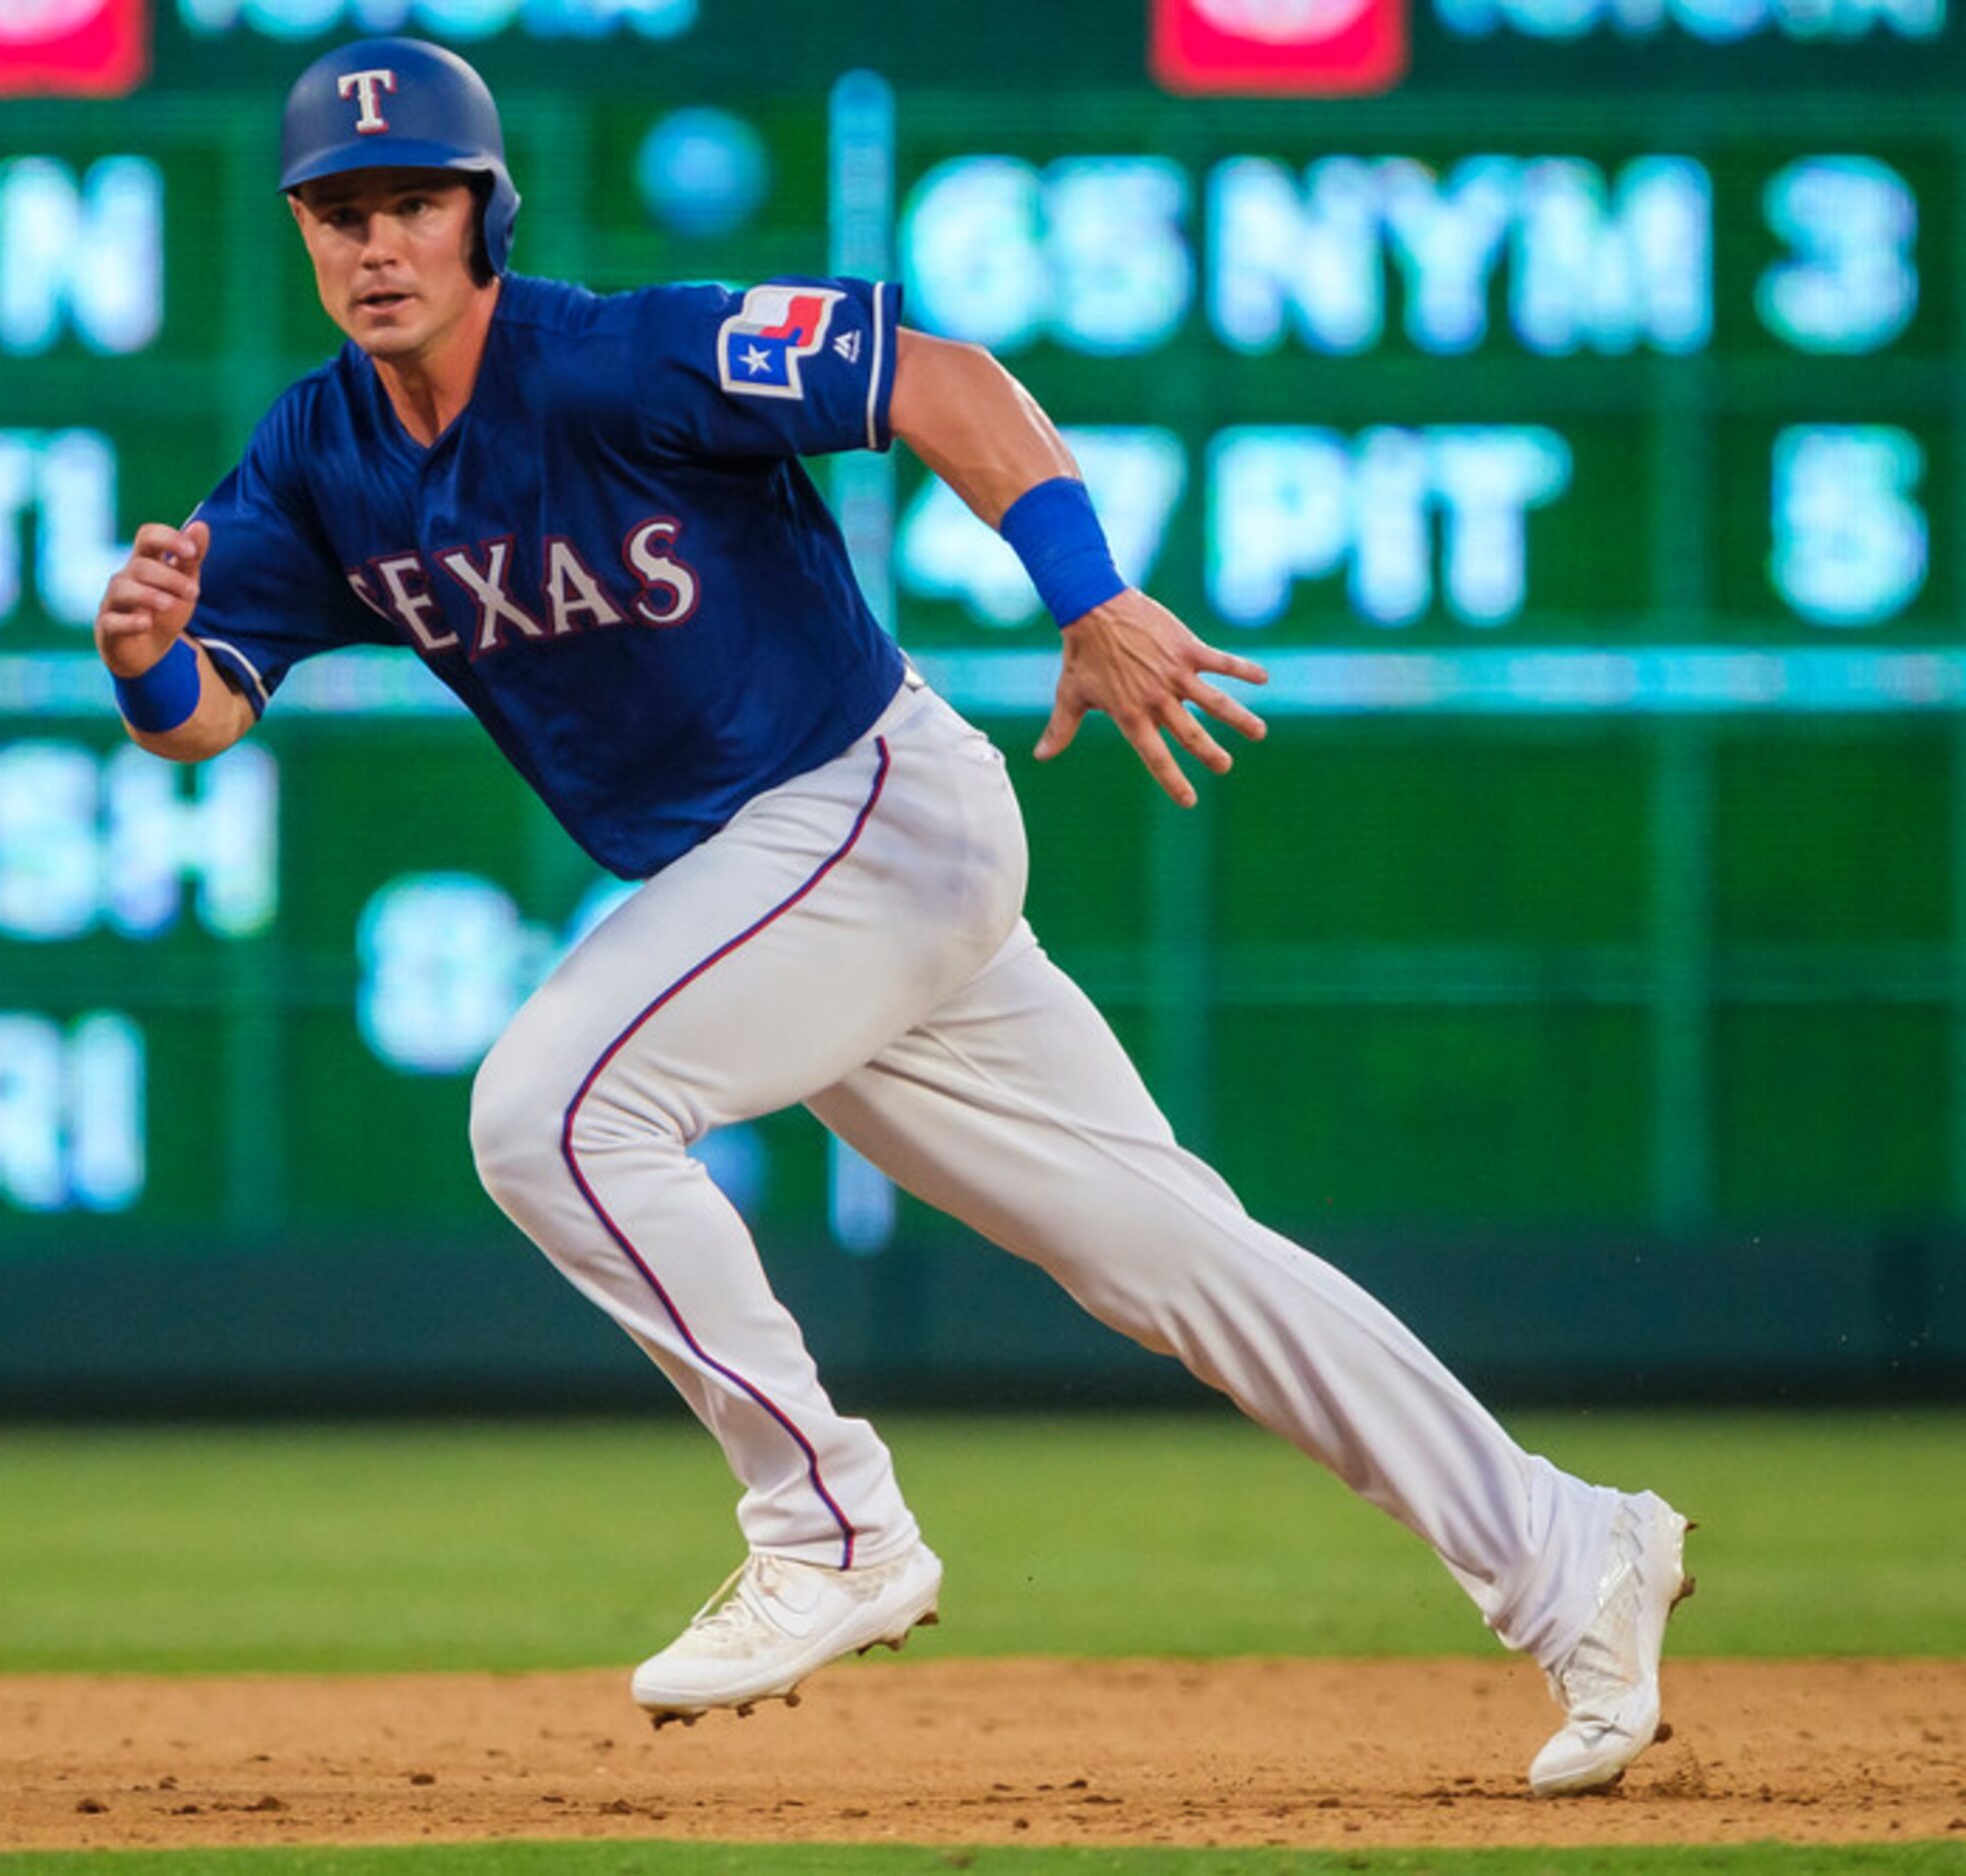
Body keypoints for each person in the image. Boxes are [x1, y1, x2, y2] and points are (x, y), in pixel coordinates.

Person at [93, 36, 1692, 1797]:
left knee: (550, 1106)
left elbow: (938, 378)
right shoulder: (323, 453)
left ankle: (833, 1525)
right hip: (786, 894)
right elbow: (211, 708)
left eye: (412, 202)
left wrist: (1088, 592)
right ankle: (1570, 1549)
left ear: (486, 215)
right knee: (1171, 1255)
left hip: (861, 810)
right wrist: (144, 656)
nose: (374, 241)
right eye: (338, 212)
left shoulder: (623, 352)